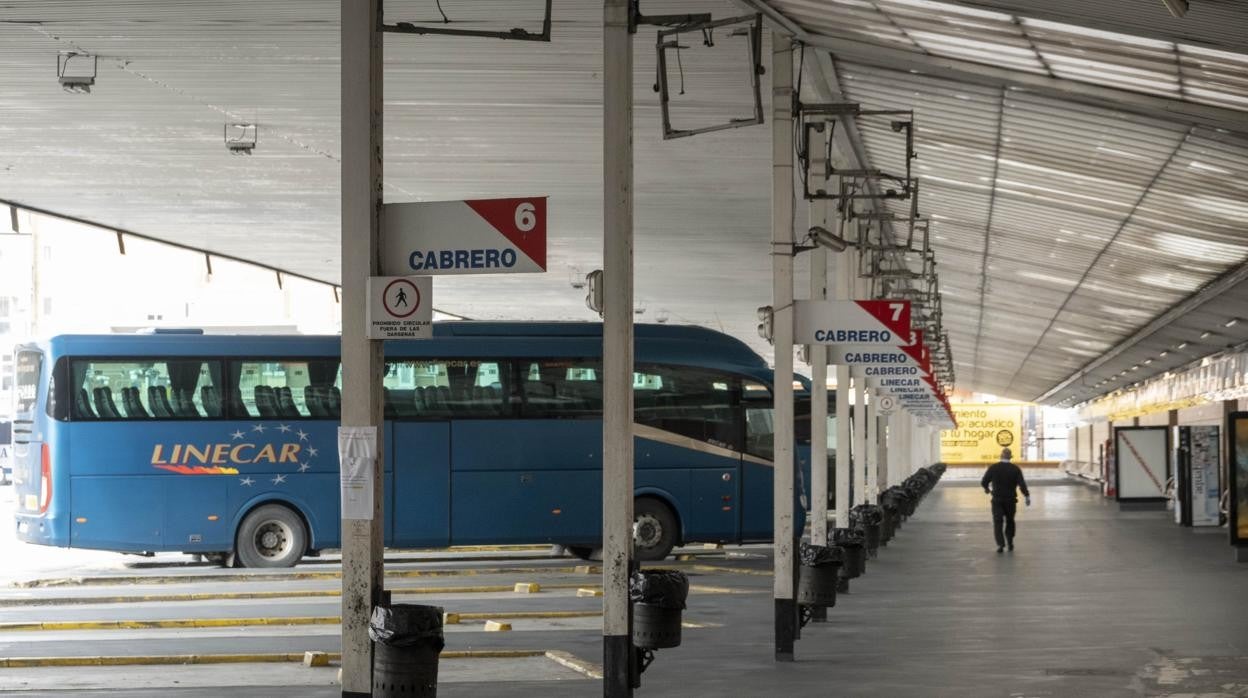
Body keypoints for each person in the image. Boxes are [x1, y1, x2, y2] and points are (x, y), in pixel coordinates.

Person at [981, 447, 1030, 553]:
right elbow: (1022, 484)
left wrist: (988, 490)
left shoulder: (993, 468)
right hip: (1010, 500)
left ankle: (1000, 545)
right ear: (1010, 457)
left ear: (1001, 456)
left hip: (997, 499)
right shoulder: (1015, 469)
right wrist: (1027, 496)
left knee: (998, 522)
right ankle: (1010, 542)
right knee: (1010, 521)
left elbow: (984, 482)